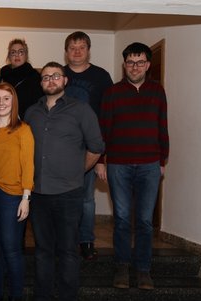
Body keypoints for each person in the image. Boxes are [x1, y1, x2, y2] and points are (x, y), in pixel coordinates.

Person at [24, 62, 104, 301]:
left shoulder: (81, 110)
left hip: (69, 192)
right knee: (42, 251)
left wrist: (77, 172)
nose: (50, 80)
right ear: (41, 82)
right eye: (46, 77)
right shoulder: (31, 112)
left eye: (56, 76)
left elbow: (97, 147)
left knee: (68, 250)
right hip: (38, 193)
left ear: (65, 80)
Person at [98, 42, 169, 291]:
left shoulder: (158, 92)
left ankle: (143, 270)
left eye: (140, 62)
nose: (135, 67)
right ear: (124, 64)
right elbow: (103, 130)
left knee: (145, 221)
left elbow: (162, 127)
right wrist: (99, 161)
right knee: (122, 219)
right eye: (130, 62)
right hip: (118, 164)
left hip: (150, 164)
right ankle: (121, 267)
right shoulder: (112, 93)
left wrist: (162, 161)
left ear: (148, 65)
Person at [0, 82, 34, 301]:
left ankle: (16, 295)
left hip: (12, 196)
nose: (1, 103)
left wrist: (26, 197)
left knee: (11, 248)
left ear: (14, 102)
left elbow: (28, 165)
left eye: (6, 98)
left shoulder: (23, 130)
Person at [63, 31, 114, 260]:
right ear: (66, 51)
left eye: (81, 47)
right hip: (61, 149)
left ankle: (85, 240)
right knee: (61, 199)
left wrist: (101, 158)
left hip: (90, 150)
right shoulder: (58, 74)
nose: (76, 51)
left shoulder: (101, 77)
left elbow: (109, 117)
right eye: (72, 47)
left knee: (86, 199)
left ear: (88, 50)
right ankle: (64, 240)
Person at [0, 38, 43, 119]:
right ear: (9, 56)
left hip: (27, 124)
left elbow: (38, 106)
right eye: (13, 52)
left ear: (26, 55)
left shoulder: (35, 78)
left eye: (21, 52)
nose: (17, 55)